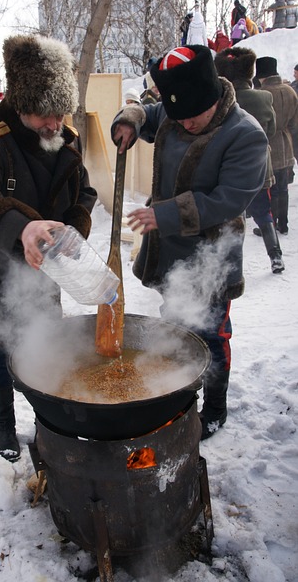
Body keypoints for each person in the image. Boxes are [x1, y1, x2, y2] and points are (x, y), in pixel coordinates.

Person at [0, 34, 97, 462]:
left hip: (42, 273)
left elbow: (83, 191)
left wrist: (75, 225)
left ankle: (48, 429)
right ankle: (3, 430)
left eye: (60, 112)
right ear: (21, 104)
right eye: (44, 114)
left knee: (43, 352)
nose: (54, 123)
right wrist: (23, 228)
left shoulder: (65, 137)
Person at [110, 45, 267, 440]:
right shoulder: (178, 113)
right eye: (179, 117)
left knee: (211, 334)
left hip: (210, 256)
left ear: (213, 97)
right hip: (169, 256)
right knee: (178, 327)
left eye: (194, 117)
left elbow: (229, 199)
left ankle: (215, 405)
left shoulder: (246, 135)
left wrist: (162, 215)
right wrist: (129, 120)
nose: (186, 124)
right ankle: (182, 398)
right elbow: (147, 113)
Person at [214, 46, 284, 273]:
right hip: (259, 165)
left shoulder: (219, 99)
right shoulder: (264, 97)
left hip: (228, 169)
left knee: (233, 219)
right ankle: (275, 257)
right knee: (264, 212)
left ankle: (232, 267)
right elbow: (271, 130)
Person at [255, 56, 298, 234]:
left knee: (271, 187)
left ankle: (271, 224)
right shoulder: (290, 91)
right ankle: (284, 223)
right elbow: (295, 124)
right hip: (286, 141)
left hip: (270, 143)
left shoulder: (263, 94)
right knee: (283, 187)